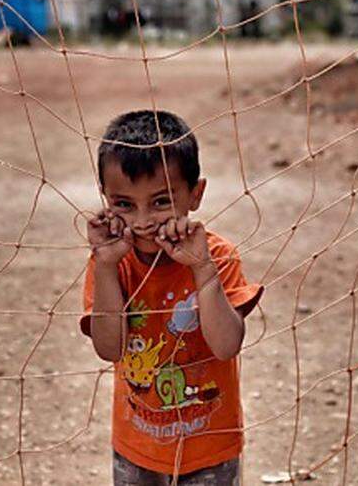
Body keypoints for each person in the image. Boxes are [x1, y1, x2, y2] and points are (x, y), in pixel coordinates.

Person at [81, 109, 263, 485]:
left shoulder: (217, 255)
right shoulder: (111, 262)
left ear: (195, 195)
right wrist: (105, 266)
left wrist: (202, 269)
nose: (143, 221)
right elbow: (109, 349)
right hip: (137, 447)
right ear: (105, 198)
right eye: (124, 205)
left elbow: (227, 345)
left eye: (161, 201)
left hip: (210, 448)